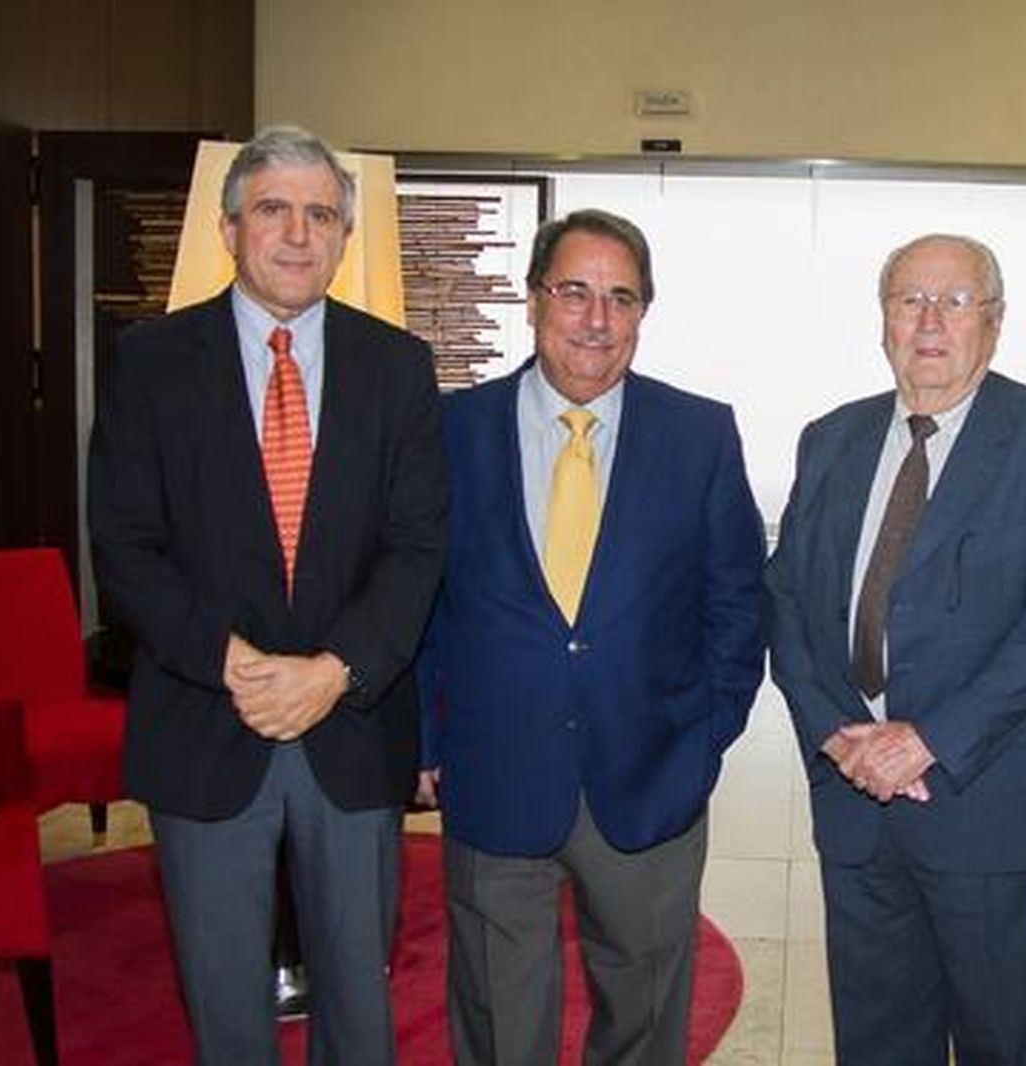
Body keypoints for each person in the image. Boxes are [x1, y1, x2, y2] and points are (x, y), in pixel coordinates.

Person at [88, 126, 447, 1064]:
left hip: (352, 730)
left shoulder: (398, 366)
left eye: (321, 214)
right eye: (274, 210)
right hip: (206, 721)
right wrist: (233, 663)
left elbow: (418, 547)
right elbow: (125, 544)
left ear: (344, 237)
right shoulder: (152, 362)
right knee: (224, 1006)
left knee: (358, 1008)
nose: (298, 233)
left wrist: (334, 670)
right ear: (228, 228)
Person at [415, 208, 766, 1065]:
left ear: (644, 311)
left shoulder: (699, 434)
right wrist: (422, 738)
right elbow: (416, 599)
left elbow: (738, 603)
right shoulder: (452, 431)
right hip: (493, 773)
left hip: (650, 778)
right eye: (574, 292)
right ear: (534, 300)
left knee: (645, 1017)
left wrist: (702, 737)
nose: (597, 320)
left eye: (622, 298)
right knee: (500, 1020)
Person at [766, 234, 1026, 1065]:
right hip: (855, 805)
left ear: (994, 321)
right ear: (882, 319)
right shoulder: (831, 439)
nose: (929, 321)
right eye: (908, 300)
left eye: (954, 302)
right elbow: (785, 601)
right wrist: (833, 734)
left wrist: (927, 740)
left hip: (990, 810)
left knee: (1005, 1045)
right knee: (878, 1044)